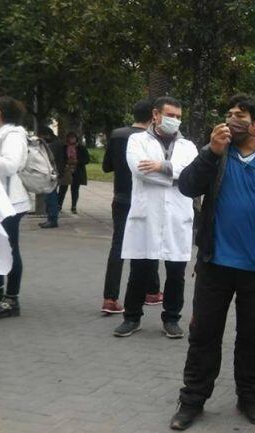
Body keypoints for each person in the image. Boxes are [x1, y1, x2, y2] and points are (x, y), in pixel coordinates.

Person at [170, 94, 255, 430]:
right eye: (229, 113)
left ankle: (249, 399)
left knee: (253, 337)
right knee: (203, 335)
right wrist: (210, 152)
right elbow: (187, 186)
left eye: (240, 115)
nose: (231, 119)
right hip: (215, 264)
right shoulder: (216, 155)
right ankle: (192, 401)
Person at [112, 96, 198, 338]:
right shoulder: (136, 141)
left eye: (179, 117)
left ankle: (171, 319)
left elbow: (191, 175)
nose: (175, 120)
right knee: (139, 269)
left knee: (175, 272)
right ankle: (132, 317)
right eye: (170, 115)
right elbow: (140, 171)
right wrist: (174, 173)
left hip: (177, 216)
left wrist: (161, 167)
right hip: (146, 214)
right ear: (156, 115)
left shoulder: (188, 147)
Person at [100, 100, 162, 314]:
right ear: (153, 116)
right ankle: (152, 291)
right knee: (150, 240)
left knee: (118, 245)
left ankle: (110, 297)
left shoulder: (118, 135)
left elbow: (106, 166)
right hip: (144, 198)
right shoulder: (152, 140)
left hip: (121, 197)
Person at [0, 96, 30, 318]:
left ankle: (11, 299)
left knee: (10, 249)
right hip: (3, 200)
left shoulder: (13, 136)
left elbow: (10, 165)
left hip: (10, 202)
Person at [58, 132, 90, 214]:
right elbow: (61, 158)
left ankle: (73, 206)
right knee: (63, 188)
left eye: (73, 137)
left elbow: (86, 160)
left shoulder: (81, 148)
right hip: (66, 170)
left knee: (75, 189)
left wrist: (77, 161)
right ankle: (59, 205)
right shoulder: (64, 147)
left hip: (77, 170)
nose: (71, 139)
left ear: (76, 138)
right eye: (70, 137)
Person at [38, 127, 63, 229]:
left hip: (53, 174)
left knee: (51, 197)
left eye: (41, 136)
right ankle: (50, 218)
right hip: (54, 173)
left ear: (47, 134)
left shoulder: (55, 145)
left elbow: (49, 159)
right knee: (50, 197)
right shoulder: (56, 143)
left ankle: (52, 219)